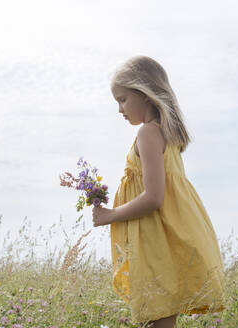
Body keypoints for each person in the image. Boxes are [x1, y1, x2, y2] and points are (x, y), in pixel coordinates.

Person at [92, 55, 226, 328]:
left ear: (145, 94)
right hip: (169, 231)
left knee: (156, 319)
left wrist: (111, 215)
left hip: (156, 237)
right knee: (158, 319)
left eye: (122, 99)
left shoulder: (148, 134)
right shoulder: (166, 133)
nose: (120, 109)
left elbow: (154, 197)